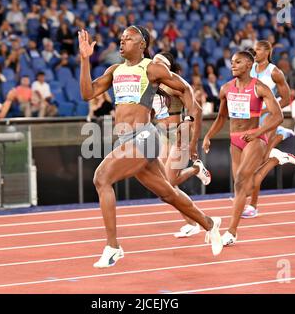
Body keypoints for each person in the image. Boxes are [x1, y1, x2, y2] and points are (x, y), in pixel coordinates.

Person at [78, 25, 223, 268]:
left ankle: (113, 247)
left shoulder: (152, 68)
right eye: (121, 37)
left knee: (101, 178)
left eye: (128, 38)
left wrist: (189, 117)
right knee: (168, 193)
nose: (122, 42)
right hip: (125, 139)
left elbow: (185, 89)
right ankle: (210, 224)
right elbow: (87, 93)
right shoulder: (115, 70)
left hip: (144, 136)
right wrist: (85, 60)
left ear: (142, 44)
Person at [202, 50, 283, 246]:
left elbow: (277, 116)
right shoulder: (226, 89)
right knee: (242, 189)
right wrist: (208, 135)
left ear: (249, 65)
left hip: (254, 138)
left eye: (238, 62)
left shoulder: (260, 88)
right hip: (234, 140)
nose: (233, 65)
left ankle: (230, 231)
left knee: (240, 182)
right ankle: (273, 160)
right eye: (232, 62)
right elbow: (221, 117)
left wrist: (258, 132)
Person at [151, 52, 211, 239]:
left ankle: (195, 169)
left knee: (168, 183)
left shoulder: (174, 83)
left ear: (167, 67)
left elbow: (197, 111)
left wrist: (193, 143)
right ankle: (191, 223)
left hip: (179, 135)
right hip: (162, 136)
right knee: (164, 187)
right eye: (153, 61)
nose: (154, 64)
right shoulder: (150, 86)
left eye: (159, 62)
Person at [242, 41, 295, 218]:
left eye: (258, 49)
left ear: (267, 52)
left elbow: (287, 98)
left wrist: (267, 109)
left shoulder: (274, 72)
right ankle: (276, 157)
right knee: (252, 162)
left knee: (257, 164)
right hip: (250, 121)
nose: (254, 52)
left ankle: (252, 205)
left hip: (267, 121)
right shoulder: (249, 69)